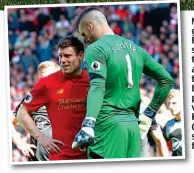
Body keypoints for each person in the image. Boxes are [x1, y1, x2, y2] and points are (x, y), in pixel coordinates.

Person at [72, 7, 174, 159]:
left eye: (84, 34)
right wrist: (148, 114)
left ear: (90, 25)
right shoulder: (136, 49)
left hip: (108, 127)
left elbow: (98, 87)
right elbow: (166, 80)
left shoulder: (96, 48)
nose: (86, 39)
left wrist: (88, 124)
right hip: (133, 129)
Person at [17, 35, 89, 160]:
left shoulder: (92, 80)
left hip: (90, 157)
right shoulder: (47, 83)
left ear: (81, 56)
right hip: (60, 158)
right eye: (60, 56)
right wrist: (42, 138)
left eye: (67, 56)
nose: (63, 60)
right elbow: (21, 113)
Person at [13, 61, 60, 161]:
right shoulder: (30, 102)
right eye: (41, 79)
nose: (44, 82)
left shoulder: (70, 99)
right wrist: (21, 144)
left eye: (49, 77)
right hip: (39, 162)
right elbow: (8, 122)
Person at [163, 89, 182, 156]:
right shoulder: (168, 125)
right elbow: (164, 148)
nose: (170, 107)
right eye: (169, 103)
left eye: (174, 103)